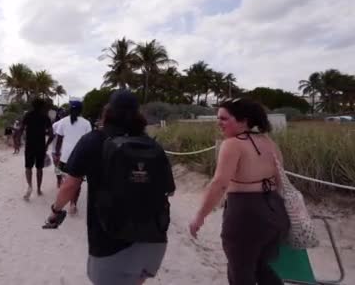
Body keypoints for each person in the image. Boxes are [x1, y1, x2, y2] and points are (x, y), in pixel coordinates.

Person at [44, 90, 175, 285]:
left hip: (110, 244)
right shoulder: (152, 145)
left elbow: (70, 185)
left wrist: (55, 211)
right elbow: (169, 190)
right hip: (152, 242)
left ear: (107, 112)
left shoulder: (93, 140)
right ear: (138, 114)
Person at [189, 98, 289, 285]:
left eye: (224, 119)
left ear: (243, 120)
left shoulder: (233, 144)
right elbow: (280, 180)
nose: (219, 122)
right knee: (261, 267)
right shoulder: (268, 142)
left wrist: (200, 216)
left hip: (245, 213)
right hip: (275, 211)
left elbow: (219, 184)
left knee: (240, 271)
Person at [53, 100, 91, 215]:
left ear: (70, 109)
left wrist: (56, 153)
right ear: (81, 110)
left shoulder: (63, 122)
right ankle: (73, 203)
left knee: (59, 172)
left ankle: (60, 185)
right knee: (77, 181)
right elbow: (88, 141)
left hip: (65, 156)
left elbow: (59, 140)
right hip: (80, 156)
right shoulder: (86, 123)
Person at [16, 98, 54, 200]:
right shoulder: (45, 117)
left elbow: (21, 129)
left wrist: (18, 141)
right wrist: (46, 145)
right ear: (42, 106)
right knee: (39, 168)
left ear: (32, 106)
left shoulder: (28, 115)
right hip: (40, 146)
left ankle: (29, 186)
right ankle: (38, 189)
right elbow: (51, 134)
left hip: (29, 145)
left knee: (28, 167)